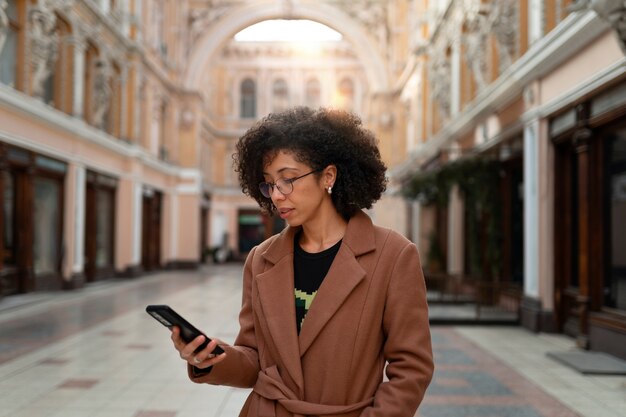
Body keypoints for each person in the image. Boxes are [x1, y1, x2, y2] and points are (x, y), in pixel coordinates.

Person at [171, 107, 434, 417]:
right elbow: (253, 359)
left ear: (328, 176)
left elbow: (412, 369)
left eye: (289, 179)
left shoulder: (393, 255)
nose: (277, 195)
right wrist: (211, 358)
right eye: (269, 183)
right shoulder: (261, 259)